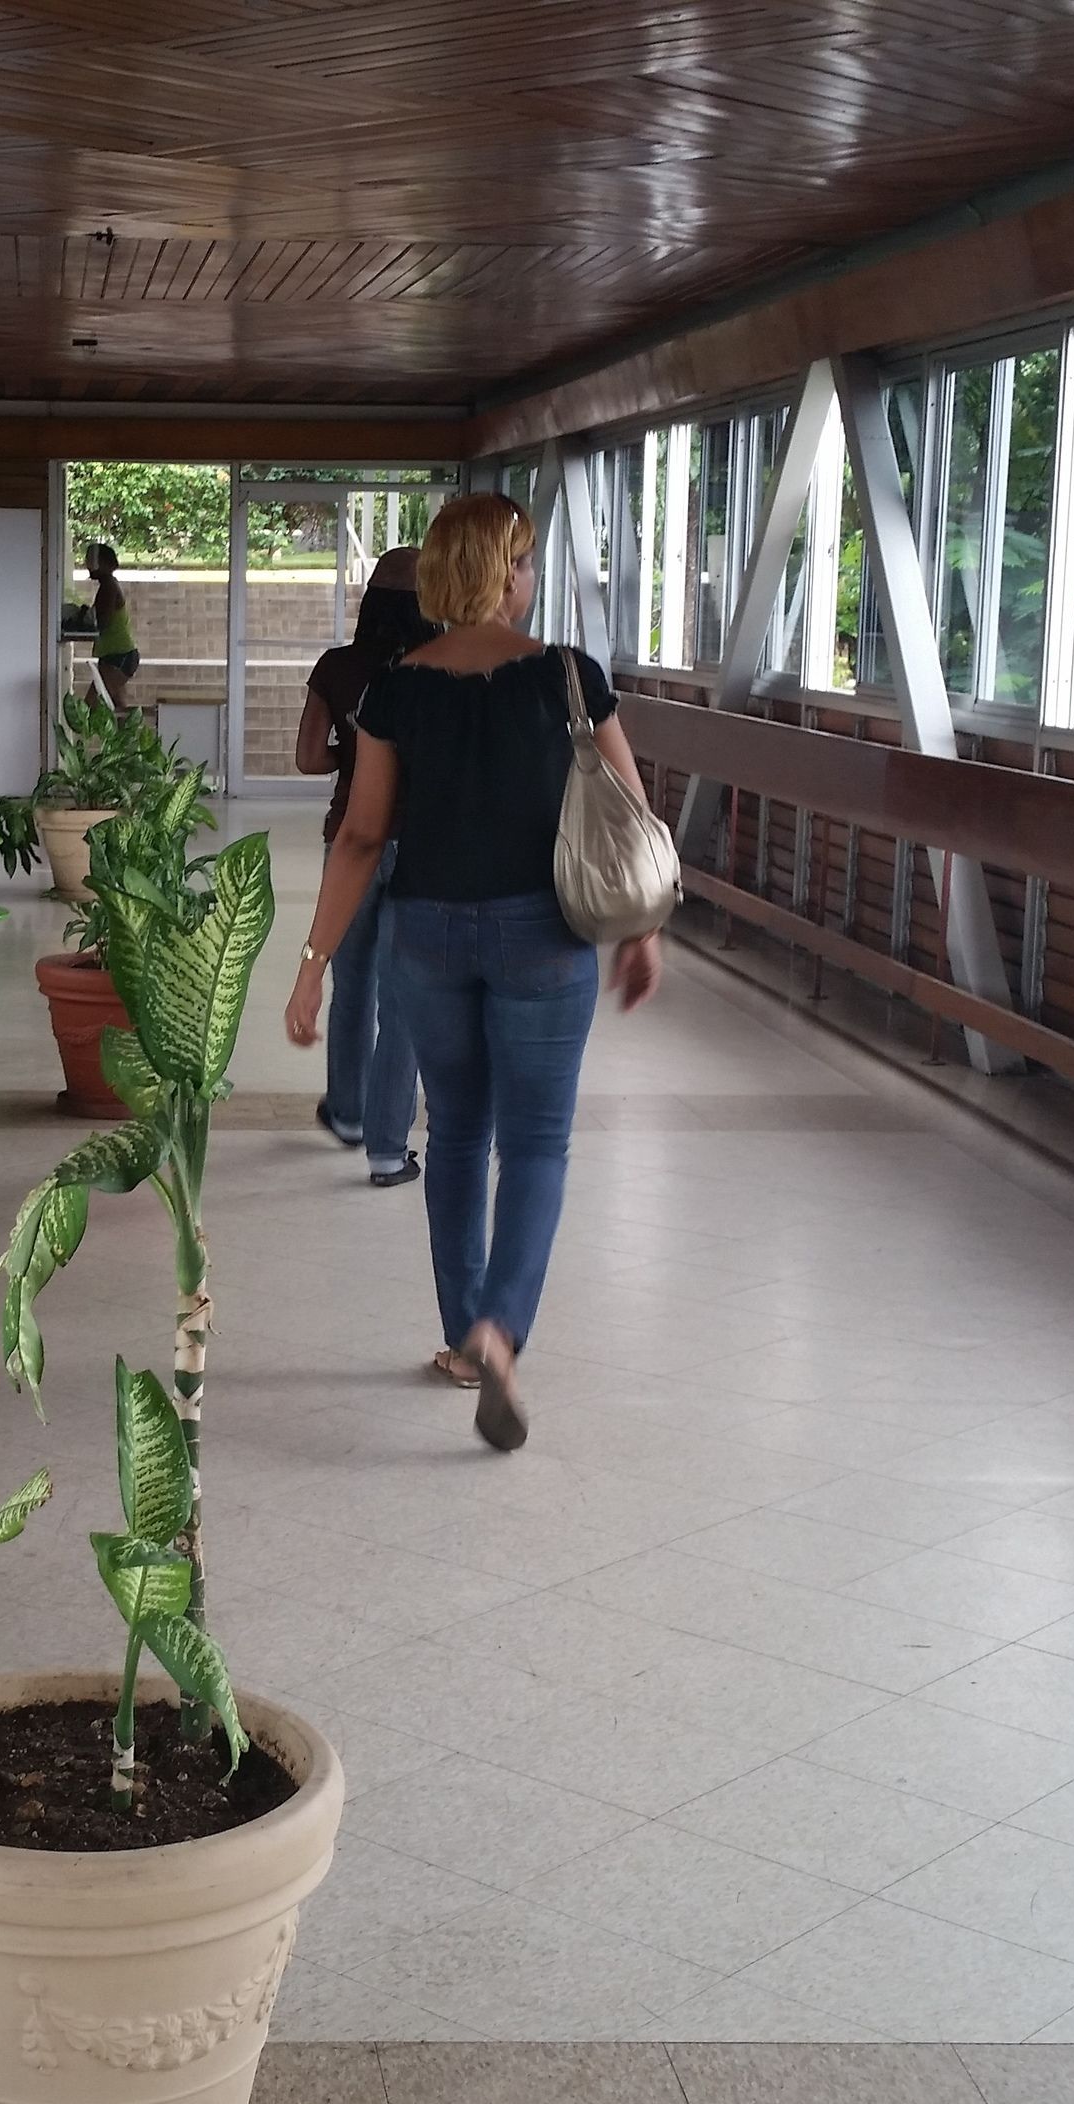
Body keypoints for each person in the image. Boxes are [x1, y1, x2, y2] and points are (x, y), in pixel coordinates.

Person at [283, 495, 661, 1454]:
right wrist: (641, 930)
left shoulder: (397, 688)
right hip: (545, 938)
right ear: (503, 572)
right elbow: (626, 808)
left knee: (453, 1134)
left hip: (429, 936)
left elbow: (363, 834)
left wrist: (313, 964)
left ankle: (460, 1339)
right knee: (535, 1143)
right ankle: (502, 1328)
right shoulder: (567, 675)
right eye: (525, 561)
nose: (531, 578)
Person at [295, 546, 432, 1188]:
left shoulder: (338, 668)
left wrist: (356, 764)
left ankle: (346, 1113)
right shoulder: (438, 669)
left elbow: (306, 758)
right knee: (403, 996)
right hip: (419, 846)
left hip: (348, 836)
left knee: (353, 981)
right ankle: (386, 1147)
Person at [85, 543, 142, 709]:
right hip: (116, 656)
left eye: (93, 560)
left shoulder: (108, 587)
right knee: (118, 708)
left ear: (103, 562)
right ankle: (131, 734)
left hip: (119, 657)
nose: (89, 565)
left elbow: (102, 621)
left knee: (91, 705)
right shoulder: (108, 585)